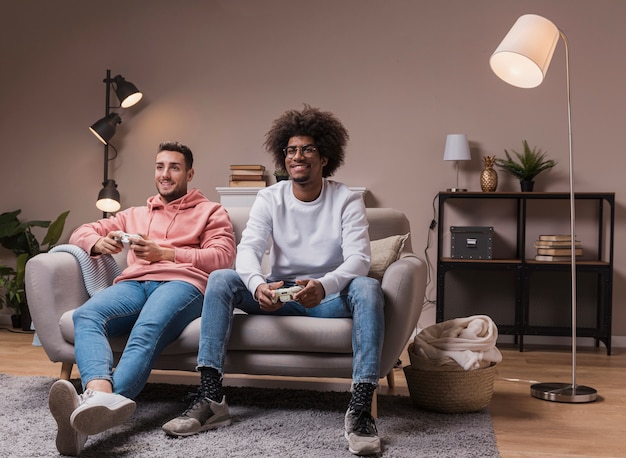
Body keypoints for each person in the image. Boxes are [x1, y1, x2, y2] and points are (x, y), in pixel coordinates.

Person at [162, 106, 385, 456]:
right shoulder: (269, 197)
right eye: (291, 150)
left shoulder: (346, 199)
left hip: (325, 297)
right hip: (279, 292)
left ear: (325, 157)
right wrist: (257, 286)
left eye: (307, 149)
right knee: (222, 278)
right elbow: (248, 248)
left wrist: (324, 286)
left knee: (368, 286)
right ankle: (211, 399)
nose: (298, 156)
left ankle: (359, 410)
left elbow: (359, 259)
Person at [48, 141, 237, 456]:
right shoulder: (134, 214)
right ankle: (96, 397)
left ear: (189, 173)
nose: (165, 174)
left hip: (184, 284)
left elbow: (222, 257)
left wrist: (166, 253)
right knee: (86, 316)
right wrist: (98, 242)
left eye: (174, 167)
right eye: (160, 166)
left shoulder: (211, 211)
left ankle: (88, 408)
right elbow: (82, 231)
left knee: (146, 329)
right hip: (135, 283)